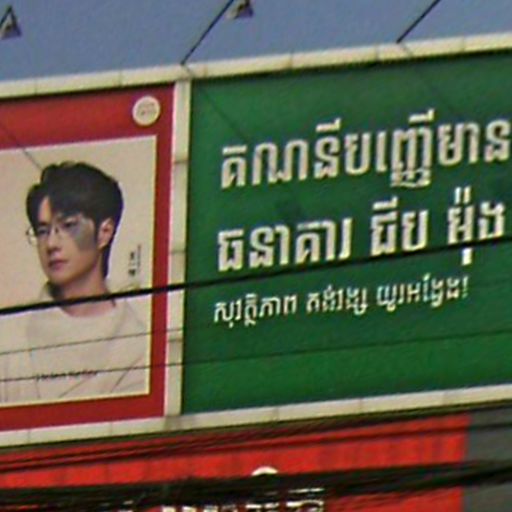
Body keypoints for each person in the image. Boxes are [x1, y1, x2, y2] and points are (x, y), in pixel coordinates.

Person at [6, 161, 151, 403]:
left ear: (104, 232)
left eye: (68, 226)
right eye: (42, 231)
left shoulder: (136, 347)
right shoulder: (10, 336)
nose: (51, 244)